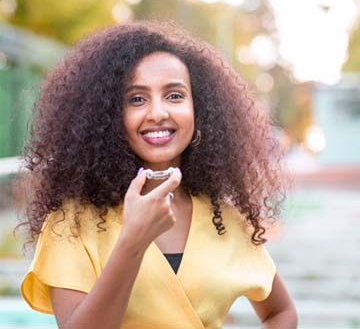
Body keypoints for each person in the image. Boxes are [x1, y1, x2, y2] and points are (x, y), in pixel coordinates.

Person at [17, 21, 297, 328]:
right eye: (137, 99)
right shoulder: (70, 222)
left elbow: (281, 312)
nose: (158, 113)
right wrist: (132, 242)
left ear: (198, 109)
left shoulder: (225, 218)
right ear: (109, 116)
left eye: (175, 96)